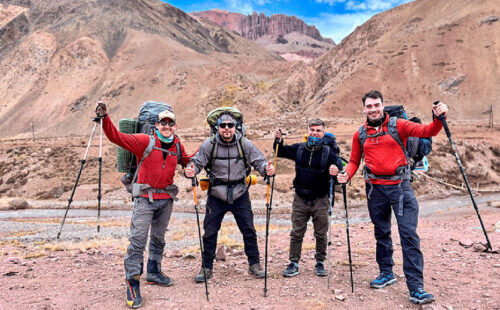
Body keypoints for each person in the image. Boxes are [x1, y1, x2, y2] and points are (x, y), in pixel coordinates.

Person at [337, 90, 448, 305]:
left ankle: (416, 287)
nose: (373, 109)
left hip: (401, 188)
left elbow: (428, 131)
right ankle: (386, 273)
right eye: (369, 106)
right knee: (382, 232)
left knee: (408, 236)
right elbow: (353, 162)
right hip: (374, 189)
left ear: (383, 105)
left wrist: (439, 116)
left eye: (376, 105)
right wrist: (346, 175)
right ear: (364, 109)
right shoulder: (360, 134)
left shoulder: (399, 125)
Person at [95, 102, 191, 309]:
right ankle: (132, 283)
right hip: (144, 200)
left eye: (170, 123)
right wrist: (105, 118)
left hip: (166, 199)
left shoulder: (177, 145)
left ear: (175, 126)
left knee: (158, 238)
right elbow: (116, 138)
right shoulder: (144, 141)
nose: (166, 126)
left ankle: (154, 272)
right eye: (163, 122)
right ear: (156, 125)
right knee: (138, 241)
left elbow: (187, 160)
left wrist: (205, 152)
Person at [184, 112, 275, 282]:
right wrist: (190, 171)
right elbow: (196, 163)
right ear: (217, 128)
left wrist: (266, 170)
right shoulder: (208, 145)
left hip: (240, 193)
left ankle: (254, 265)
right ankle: (206, 268)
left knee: (248, 230)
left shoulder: (245, 144)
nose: (226, 128)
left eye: (230, 125)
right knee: (210, 232)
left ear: (236, 127)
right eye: (223, 125)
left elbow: (259, 161)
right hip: (216, 194)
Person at [273, 119, 343, 278]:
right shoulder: (300, 148)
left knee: (320, 233)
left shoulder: (329, 153)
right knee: (297, 232)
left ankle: (320, 262)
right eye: (312, 130)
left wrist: (336, 171)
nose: (314, 133)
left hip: (321, 199)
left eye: (318, 131)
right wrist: (278, 140)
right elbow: (280, 151)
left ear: (323, 133)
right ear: (308, 131)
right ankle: (294, 263)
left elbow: (340, 176)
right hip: (300, 198)